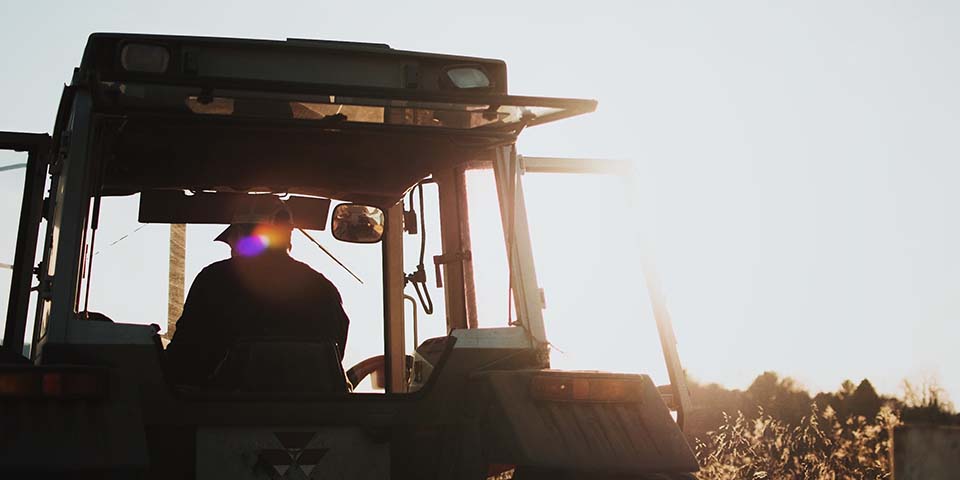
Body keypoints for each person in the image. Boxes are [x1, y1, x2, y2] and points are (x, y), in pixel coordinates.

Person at [164, 204, 350, 386]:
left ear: (239, 236)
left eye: (231, 240)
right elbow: (333, 358)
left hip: (220, 412)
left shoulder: (213, 281)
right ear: (288, 235)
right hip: (315, 413)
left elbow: (182, 358)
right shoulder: (323, 289)